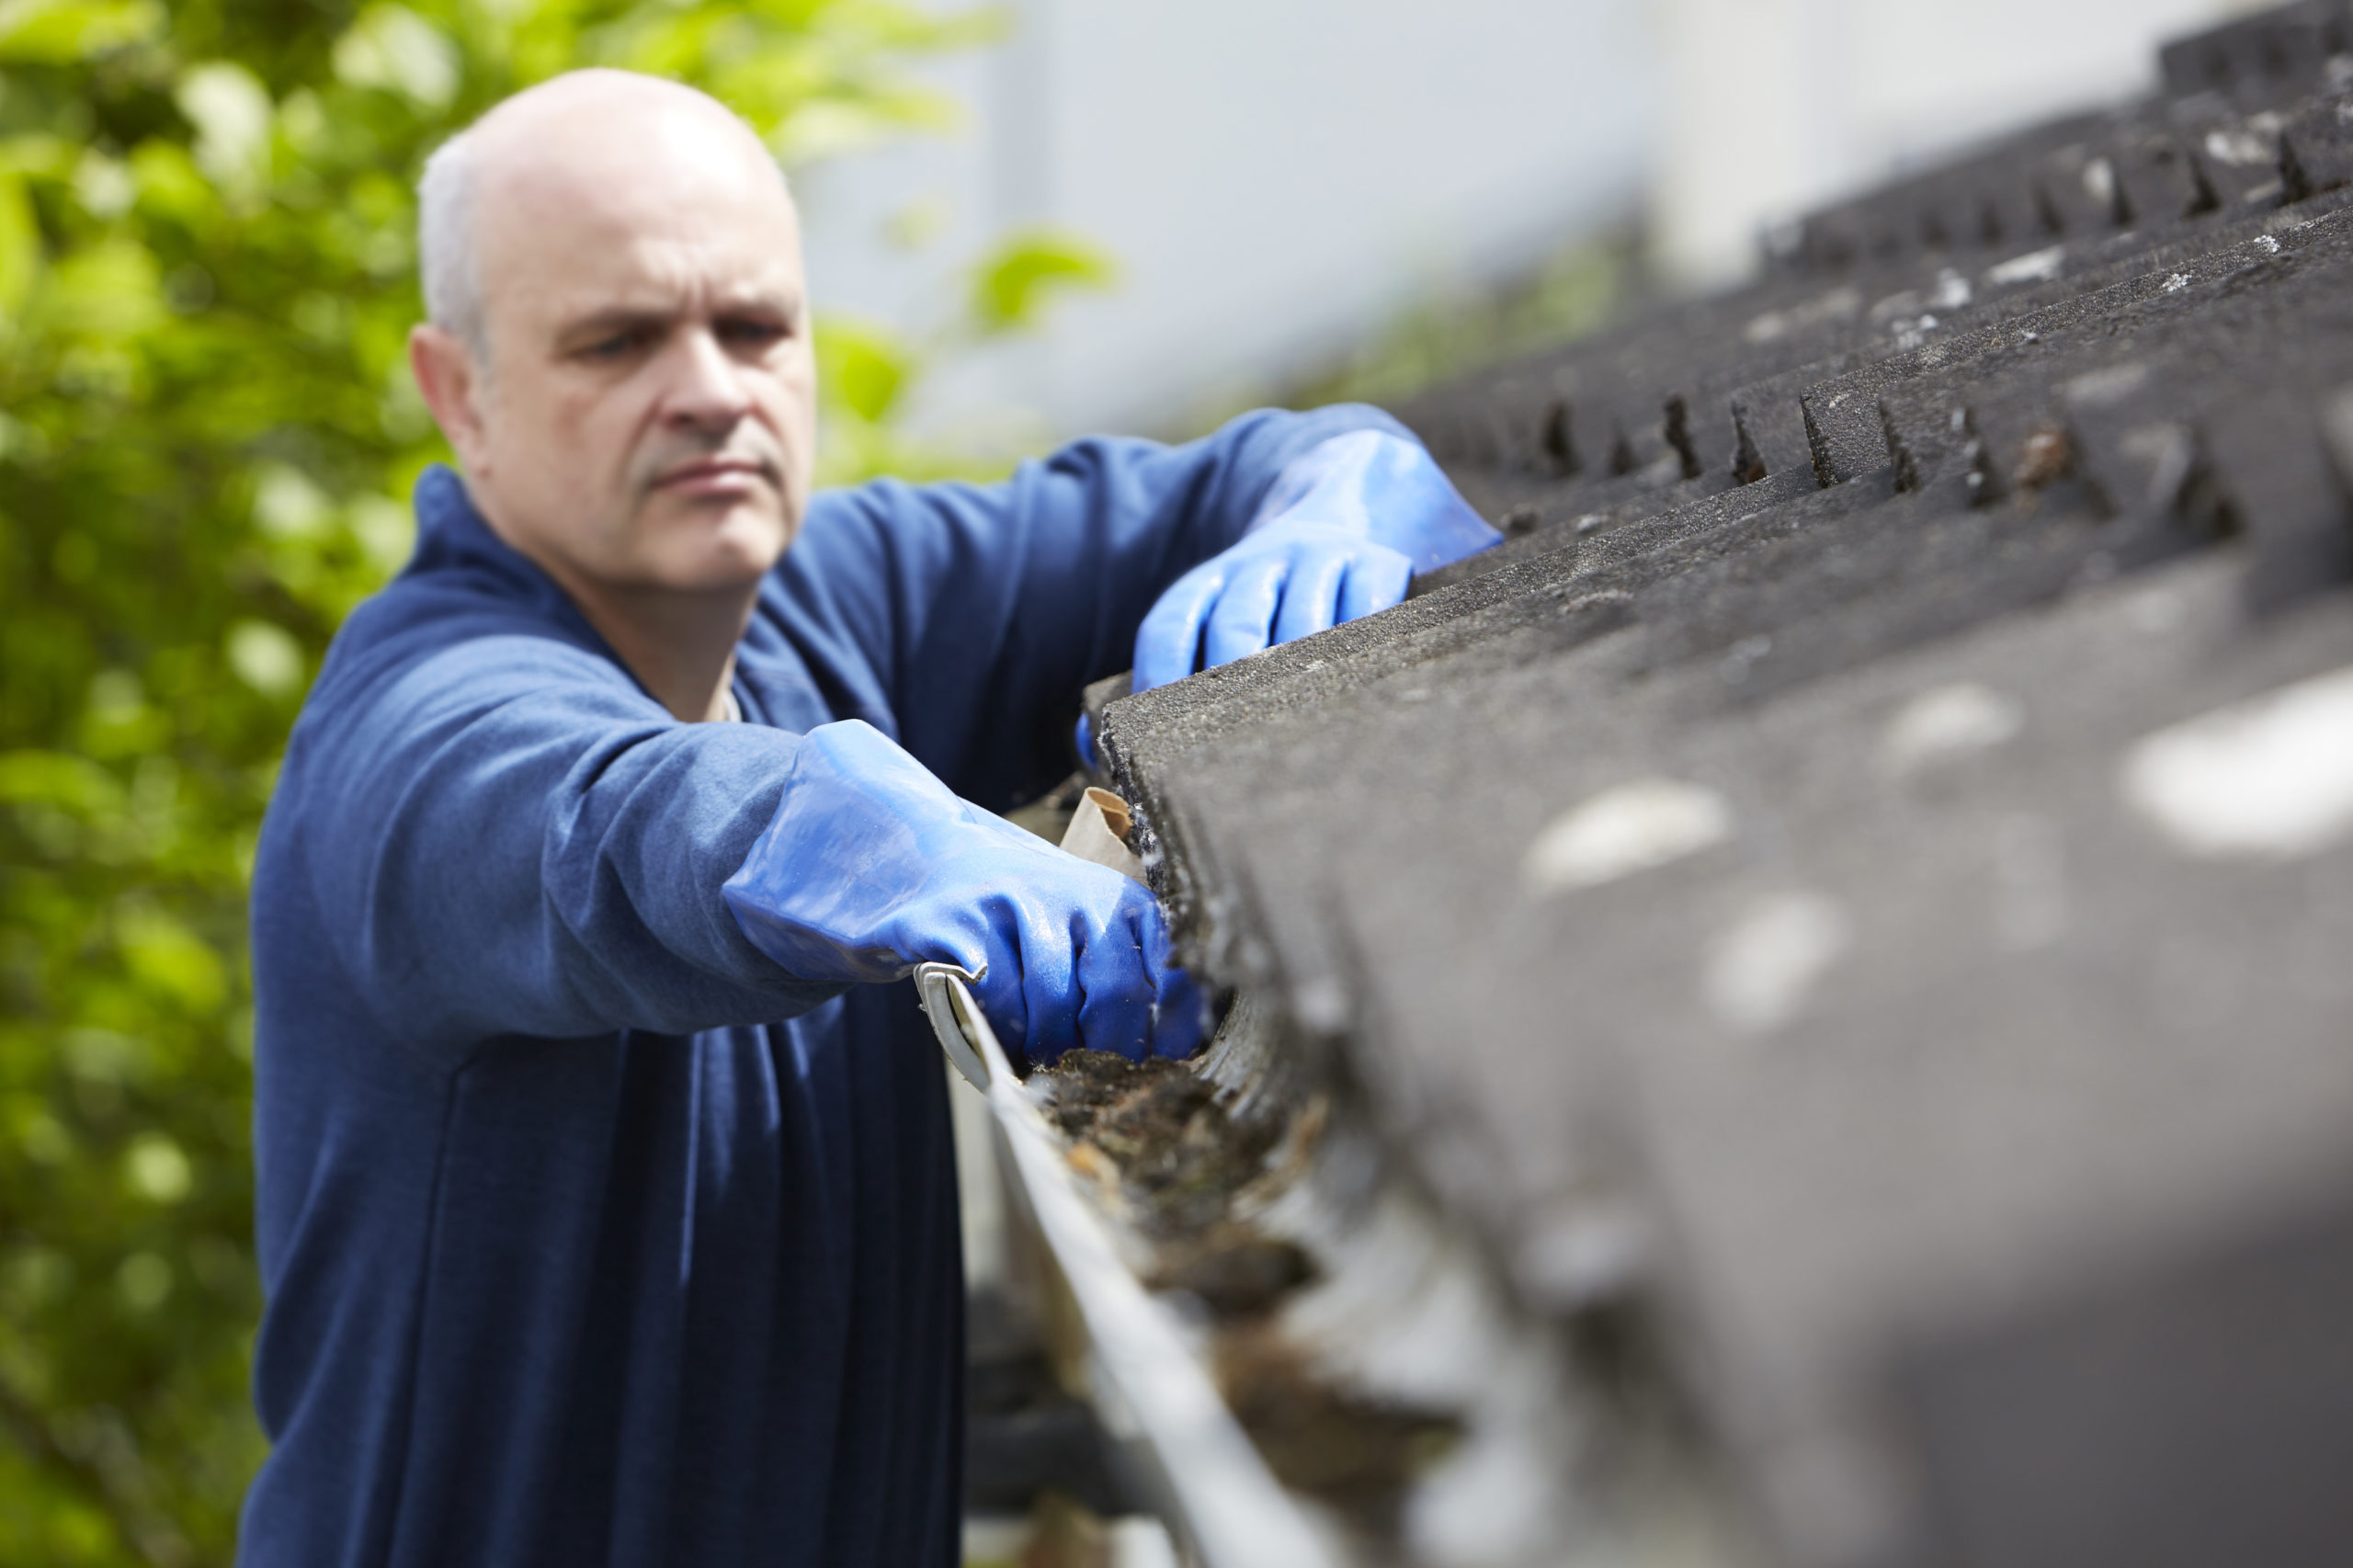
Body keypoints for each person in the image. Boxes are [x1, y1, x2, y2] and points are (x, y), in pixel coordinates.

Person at [240, 69, 1498, 1567]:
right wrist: (820, 821)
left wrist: (1342, 492)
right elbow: (596, 822)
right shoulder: (412, 735)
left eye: (756, 325)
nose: (710, 385)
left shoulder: (845, 599)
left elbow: (1253, 478)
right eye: (617, 339)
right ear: (462, 393)